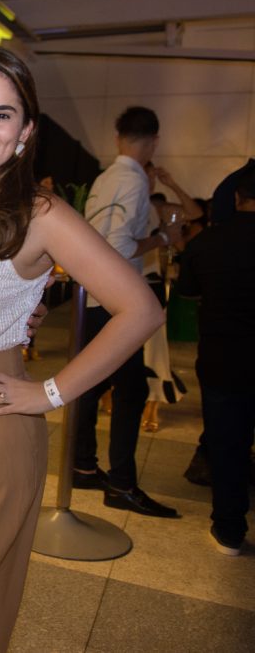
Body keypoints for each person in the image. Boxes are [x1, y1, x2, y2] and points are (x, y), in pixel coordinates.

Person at [0, 45, 164, 652]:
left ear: (26, 131)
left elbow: (140, 309)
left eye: (3, 114)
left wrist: (49, 392)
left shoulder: (41, 213)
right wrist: (17, 308)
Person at [72, 106, 182, 518]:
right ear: (153, 141)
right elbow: (117, 247)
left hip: (96, 297)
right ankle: (121, 482)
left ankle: (82, 463)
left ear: (119, 137)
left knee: (94, 382)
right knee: (130, 390)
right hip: (117, 301)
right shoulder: (134, 182)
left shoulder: (106, 178)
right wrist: (162, 237)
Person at [176, 162, 255, 555]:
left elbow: (188, 291)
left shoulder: (208, 243)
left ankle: (228, 529)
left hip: (223, 359)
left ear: (237, 199)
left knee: (227, 444)